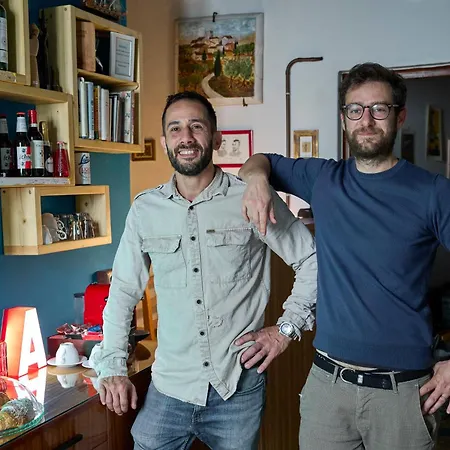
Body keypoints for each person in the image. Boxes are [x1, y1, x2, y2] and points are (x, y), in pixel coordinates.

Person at [238, 62, 450, 450]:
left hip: (402, 393)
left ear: (400, 116)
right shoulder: (324, 179)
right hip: (327, 388)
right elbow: (259, 160)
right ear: (343, 119)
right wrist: (255, 181)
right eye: (355, 109)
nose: (366, 120)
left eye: (379, 109)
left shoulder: (433, 191)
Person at [92, 91, 318, 450]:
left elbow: (312, 260)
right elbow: (122, 292)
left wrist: (285, 329)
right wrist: (113, 366)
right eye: (175, 128)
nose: (186, 137)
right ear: (165, 142)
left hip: (237, 389)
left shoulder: (251, 197)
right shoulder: (145, 209)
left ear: (215, 138)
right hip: (169, 386)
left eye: (196, 126)